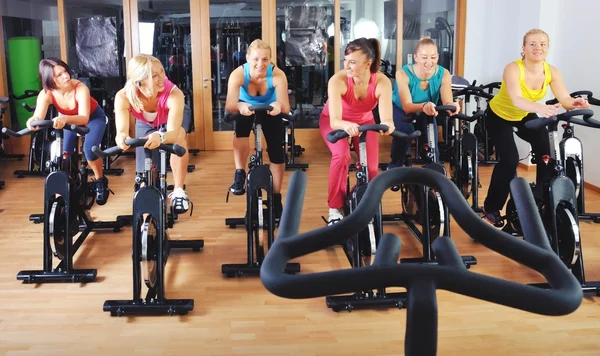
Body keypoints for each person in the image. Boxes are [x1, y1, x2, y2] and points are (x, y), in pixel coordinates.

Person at [482, 28, 590, 226]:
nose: (537, 47)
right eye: (532, 44)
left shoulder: (552, 71)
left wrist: (575, 103)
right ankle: (491, 209)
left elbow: (564, 98)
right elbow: (516, 99)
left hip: (524, 115)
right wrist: (542, 108)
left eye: (542, 44)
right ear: (523, 48)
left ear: (547, 48)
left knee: (547, 153)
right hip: (498, 116)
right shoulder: (513, 69)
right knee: (510, 159)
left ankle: (541, 200)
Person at [319, 37, 395, 225]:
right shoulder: (338, 80)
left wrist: (388, 125)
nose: (347, 66)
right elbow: (336, 120)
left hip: (365, 122)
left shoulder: (382, 82)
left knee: (373, 169)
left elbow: (386, 118)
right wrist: (346, 125)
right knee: (342, 156)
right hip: (333, 122)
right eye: (345, 61)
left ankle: (356, 197)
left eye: (352, 62)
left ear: (367, 64)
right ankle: (335, 209)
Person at [114, 54, 192, 215]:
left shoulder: (174, 94)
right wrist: (121, 138)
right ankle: (150, 189)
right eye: (154, 76)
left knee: (178, 139)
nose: (162, 77)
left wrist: (161, 136)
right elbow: (121, 130)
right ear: (139, 81)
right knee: (145, 157)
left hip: (173, 117)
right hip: (147, 121)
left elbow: (171, 132)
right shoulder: (123, 96)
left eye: (162, 71)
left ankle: (178, 190)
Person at [26, 57, 110, 205]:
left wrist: (64, 118)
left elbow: (84, 118)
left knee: (90, 151)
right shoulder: (47, 93)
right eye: (59, 75)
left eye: (65, 71)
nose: (66, 76)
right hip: (68, 120)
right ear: (49, 79)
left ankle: (100, 180)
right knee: (65, 154)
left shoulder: (80, 88)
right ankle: (72, 181)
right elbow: (38, 115)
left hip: (93, 118)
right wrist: (32, 121)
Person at [225, 39, 290, 220]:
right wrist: (240, 105)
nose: (260, 64)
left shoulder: (278, 75)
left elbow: (285, 107)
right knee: (241, 124)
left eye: (265, 60)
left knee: (277, 149)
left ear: (270, 59)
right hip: (245, 107)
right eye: (255, 59)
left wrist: (277, 103)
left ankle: (276, 198)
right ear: (247, 58)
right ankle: (240, 172)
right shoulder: (238, 74)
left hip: (270, 109)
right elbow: (230, 105)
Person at [388, 36, 460, 169]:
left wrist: (453, 105)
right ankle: (394, 168)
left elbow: (447, 100)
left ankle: (433, 172)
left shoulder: (443, 74)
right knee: (405, 134)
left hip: (427, 109)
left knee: (431, 142)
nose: (429, 62)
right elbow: (407, 106)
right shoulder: (403, 73)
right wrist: (424, 106)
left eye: (433, 57)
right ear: (415, 57)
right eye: (424, 57)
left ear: (438, 56)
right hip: (402, 109)